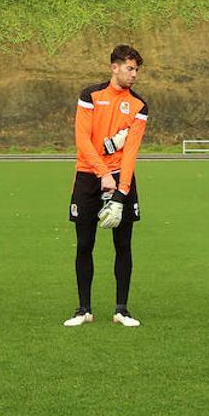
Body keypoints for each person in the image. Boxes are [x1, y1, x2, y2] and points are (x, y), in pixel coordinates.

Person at [65, 44, 149, 328]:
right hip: (89, 176)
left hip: (120, 177)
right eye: (130, 68)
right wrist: (103, 173)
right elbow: (82, 140)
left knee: (123, 245)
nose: (134, 74)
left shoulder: (139, 106)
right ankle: (83, 309)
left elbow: (131, 152)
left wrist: (122, 191)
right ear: (114, 67)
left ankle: (121, 310)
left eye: (136, 69)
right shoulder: (90, 95)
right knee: (84, 244)